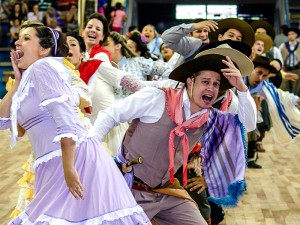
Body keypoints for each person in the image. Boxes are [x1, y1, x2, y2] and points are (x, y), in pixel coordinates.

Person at [1, 23, 150, 224]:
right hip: (53, 162)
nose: (18, 42)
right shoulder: (28, 78)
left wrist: (69, 167)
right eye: (19, 37)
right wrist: (17, 82)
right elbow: (3, 122)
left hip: (73, 158)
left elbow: (66, 120)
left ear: (44, 49)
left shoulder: (43, 67)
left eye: (26, 38)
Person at [92, 44, 254, 225]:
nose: (211, 88)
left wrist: (242, 88)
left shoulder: (210, 117)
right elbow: (110, 115)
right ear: (190, 82)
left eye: (216, 84)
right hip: (130, 190)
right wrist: (93, 151)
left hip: (166, 192)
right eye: (205, 82)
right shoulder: (157, 98)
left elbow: (248, 124)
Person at [279, 27, 300, 97]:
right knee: (284, 87)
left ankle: (296, 105)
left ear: (296, 35)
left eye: (292, 34)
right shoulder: (283, 45)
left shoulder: (299, 45)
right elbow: (278, 56)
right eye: (289, 34)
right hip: (286, 69)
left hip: (297, 69)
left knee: (296, 89)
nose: (290, 36)